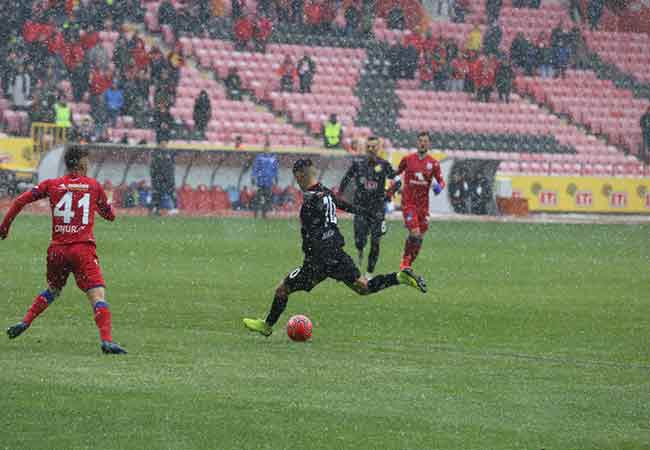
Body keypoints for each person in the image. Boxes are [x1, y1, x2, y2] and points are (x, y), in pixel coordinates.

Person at [242, 158, 426, 337]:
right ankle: (399, 277)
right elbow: (342, 205)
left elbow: (313, 232)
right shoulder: (325, 192)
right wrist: (366, 213)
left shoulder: (311, 201)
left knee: (283, 289)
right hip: (336, 253)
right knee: (364, 287)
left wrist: (311, 256)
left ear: (298, 175)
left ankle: (267, 325)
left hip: (319, 259)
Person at [1, 146, 126, 354]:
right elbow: (110, 216)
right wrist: (107, 203)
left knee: (53, 289)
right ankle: (107, 340)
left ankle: (25, 321)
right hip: (82, 249)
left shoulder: (53, 185)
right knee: (97, 295)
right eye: (87, 161)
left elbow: (20, 200)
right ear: (81, 163)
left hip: (57, 250)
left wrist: (4, 227)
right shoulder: (93, 186)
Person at [338, 137, 400, 278]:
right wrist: (339, 195)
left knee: (375, 241)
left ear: (379, 149)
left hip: (377, 209)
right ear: (366, 148)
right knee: (360, 240)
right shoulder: (358, 164)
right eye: (369, 146)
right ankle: (360, 250)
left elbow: (397, 181)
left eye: (374, 147)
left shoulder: (384, 165)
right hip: (360, 208)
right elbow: (346, 179)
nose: (371, 149)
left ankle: (369, 273)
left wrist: (389, 193)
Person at [392, 132, 445, 270]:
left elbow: (441, 181)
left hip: (423, 206)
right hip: (409, 204)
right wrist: (394, 186)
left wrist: (438, 188)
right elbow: (395, 174)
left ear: (429, 144)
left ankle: (409, 263)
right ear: (417, 143)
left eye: (425, 141)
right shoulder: (408, 159)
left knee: (419, 238)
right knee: (414, 233)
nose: (422, 143)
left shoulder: (433, 163)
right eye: (420, 141)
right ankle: (405, 260)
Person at [251, 149, 279, 219]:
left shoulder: (273, 159)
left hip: (268, 183)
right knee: (257, 198)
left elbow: (275, 170)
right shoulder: (259, 158)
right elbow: (255, 168)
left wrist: (276, 179)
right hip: (260, 182)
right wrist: (253, 177)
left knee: (267, 199)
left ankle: (264, 214)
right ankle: (255, 214)